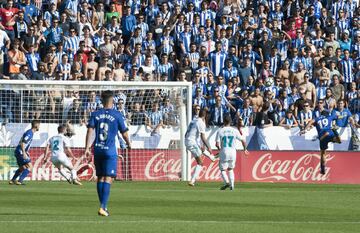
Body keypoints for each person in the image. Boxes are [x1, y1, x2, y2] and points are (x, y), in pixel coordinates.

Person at [85, 90, 131, 217]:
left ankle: (102, 206)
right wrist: (129, 143)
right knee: (108, 178)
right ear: (113, 100)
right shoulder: (117, 115)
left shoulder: (95, 114)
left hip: (98, 149)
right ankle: (103, 206)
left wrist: (87, 147)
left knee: (100, 177)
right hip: (110, 151)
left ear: (101, 100)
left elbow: (89, 131)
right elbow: (124, 132)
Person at [215, 114, 249, 190]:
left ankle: (227, 182)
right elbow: (243, 140)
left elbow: (217, 144)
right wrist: (245, 149)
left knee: (223, 169)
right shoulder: (234, 130)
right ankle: (232, 186)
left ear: (223, 121)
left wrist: (220, 150)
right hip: (233, 152)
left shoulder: (220, 131)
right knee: (230, 169)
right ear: (230, 121)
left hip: (224, 151)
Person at [185, 109, 215, 186]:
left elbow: (186, 133)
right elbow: (203, 137)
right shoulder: (201, 123)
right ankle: (192, 181)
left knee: (201, 149)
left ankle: (211, 157)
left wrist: (187, 145)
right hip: (191, 142)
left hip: (189, 141)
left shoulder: (193, 120)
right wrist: (209, 147)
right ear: (205, 116)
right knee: (200, 163)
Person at [305, 111, 341, 175]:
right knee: (339, 141)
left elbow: (310, 122)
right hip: (330, 133)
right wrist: (340, 116)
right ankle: (335, 132)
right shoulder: (330, 117)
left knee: (323, 153)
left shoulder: (317, 118)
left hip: (322, 136)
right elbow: (339, 117)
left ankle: (323, 169)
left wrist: (305, 129)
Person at [9, 120, 40, 185]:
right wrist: (24, 152)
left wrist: (25, 151)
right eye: (39, 125)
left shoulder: (30, 132)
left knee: (22, 168)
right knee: (30, 166)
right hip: (20, 151)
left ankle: (12, 180)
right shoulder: (29, 133)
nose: (39, 127)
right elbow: (23, 142)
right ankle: (20, 181)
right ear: (36, 126)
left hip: (18, 151)